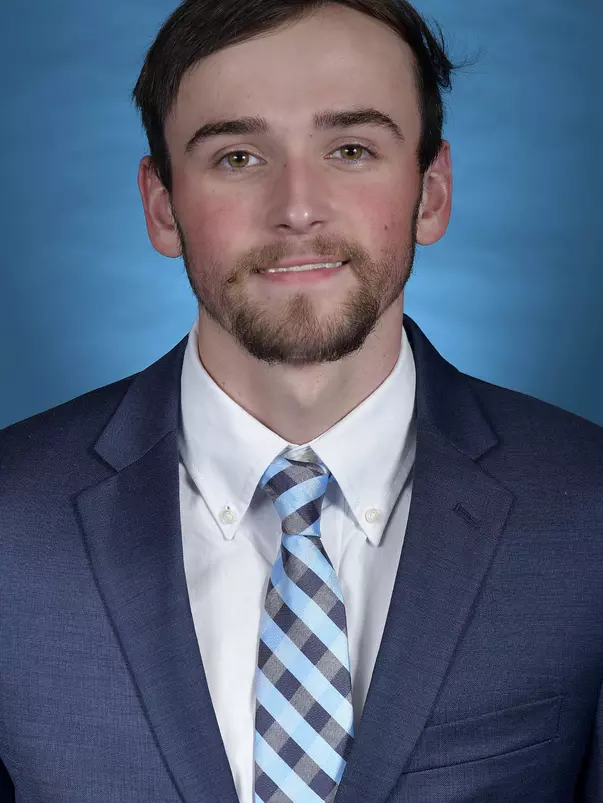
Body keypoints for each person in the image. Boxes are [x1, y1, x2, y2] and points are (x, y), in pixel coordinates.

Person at [1, 0, 602, 800]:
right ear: (160, 206)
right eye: (238, 157)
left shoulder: (587, 513)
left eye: (350, 149)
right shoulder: (9, 520)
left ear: (430, 192)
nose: (296, 208)